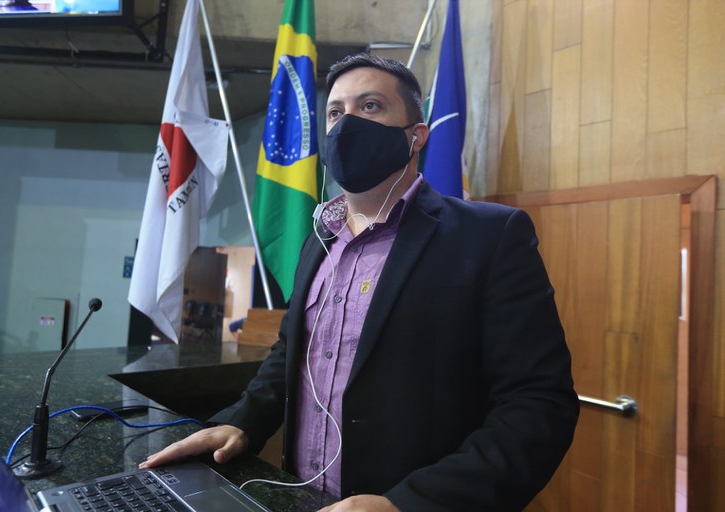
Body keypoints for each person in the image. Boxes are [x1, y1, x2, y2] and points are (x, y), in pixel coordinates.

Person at [140, 53, 580, 512]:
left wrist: (407, 504)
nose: (347, 123)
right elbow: (292, 350)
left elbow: (539, 404)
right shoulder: (319, 239)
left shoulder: (488, 235)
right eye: (335, 112)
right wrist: (242, 422)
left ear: (416, 136)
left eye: (370, 106)